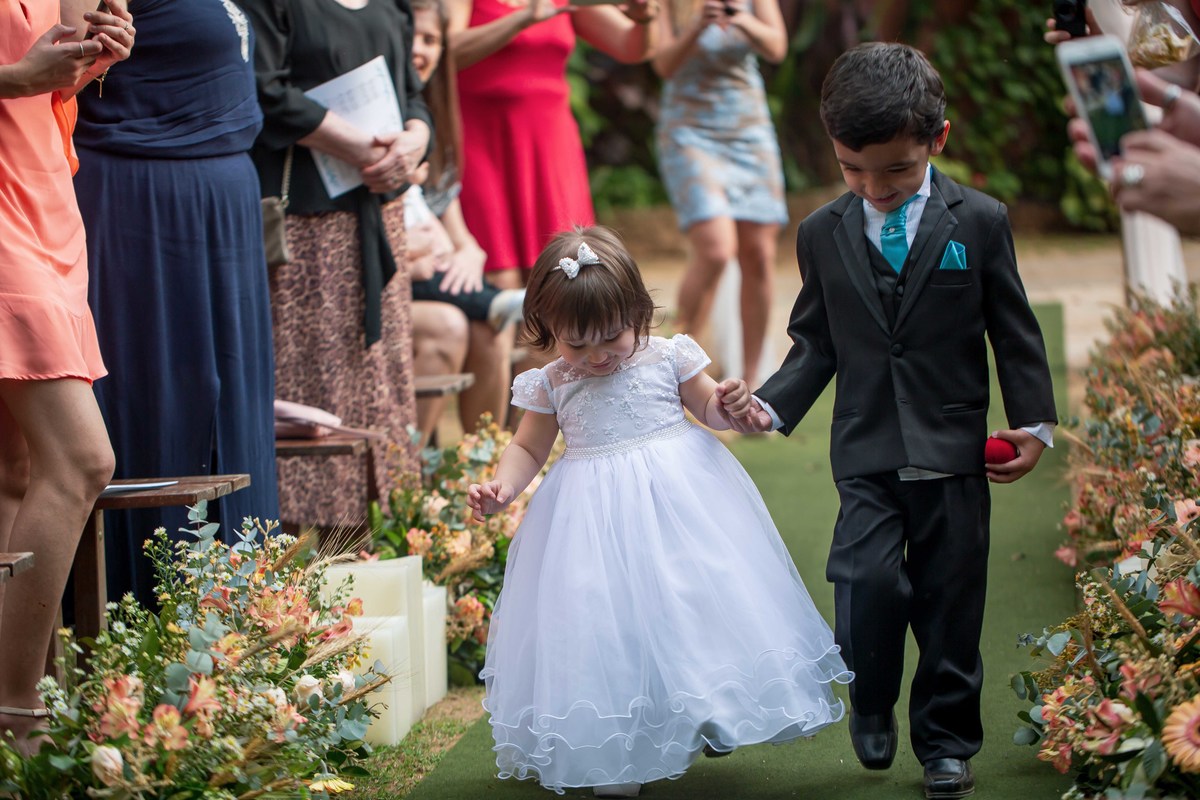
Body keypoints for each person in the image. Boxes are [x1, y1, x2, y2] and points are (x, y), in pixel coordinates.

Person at [724, 43, 1058, 799]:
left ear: (937, 140)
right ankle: (871, 698)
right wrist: (770, 404)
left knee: (951, 603)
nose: (873, 188)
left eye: (896, 171)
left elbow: (1014, 330)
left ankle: (945, 741)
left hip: (956, 449)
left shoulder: (980, 220)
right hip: (867, 447)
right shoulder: (819, 235)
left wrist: (1033, 426)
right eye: (853, 170)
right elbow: (815, 341)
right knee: (865, 585)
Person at [467, 226, 850, 798]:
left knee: (694, 602)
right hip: (590, 519)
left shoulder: (669, 356)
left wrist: (728, 404)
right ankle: (617, 749)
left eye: (611, 338)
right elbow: (528, 447)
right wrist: (504, 485)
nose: (596, 356)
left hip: (680, 505)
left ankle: (710, 703)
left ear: (638, 311)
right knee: (603, 623)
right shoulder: (551, 382)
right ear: (549, 333)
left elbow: (709, 411)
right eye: (576, 344)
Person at [74, 0, 280, 607]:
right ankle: (143, 612)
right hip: (141, 199)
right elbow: (59, 57)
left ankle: (247, 615)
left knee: (234, 398)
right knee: (155, 394)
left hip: (225, 204)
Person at [238, 0, 433, 528]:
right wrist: (363, 148)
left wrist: (414, 141)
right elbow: (264, 88)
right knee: (312, 375)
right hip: (307, 223)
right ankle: (309, 547)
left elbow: (412, 94)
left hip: (377, 213)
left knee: (381, 376)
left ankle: (386, 532)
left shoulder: (393, 5)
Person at [0, 0, 132, 749]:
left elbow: (51, 83)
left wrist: (93, 58)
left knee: (15, 472)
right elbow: (19, 73)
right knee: (83, 459)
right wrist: (20, 75)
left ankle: (12, 718)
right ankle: (20, 717)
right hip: (3, 217)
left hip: (47, 198)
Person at [450, 0, 659, 289]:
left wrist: (644, 19)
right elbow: (444, 51)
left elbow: (631, 47)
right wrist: (522, 19)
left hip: (550, 145)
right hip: (481, 140)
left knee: (563, 271)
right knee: (498, 276)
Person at [652, 0, 788, 383]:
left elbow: (776, 47)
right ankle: (676, 369)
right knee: (716, 249)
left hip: (748, 129)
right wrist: (697, 25)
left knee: (759, 253)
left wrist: (739, 17)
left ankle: (750, 383)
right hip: (689, 132)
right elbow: (664, 65)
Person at [407, 0, 523, 438]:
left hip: (429, 266)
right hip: (399, 275)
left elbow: (462, 236)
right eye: (411, 39)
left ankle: (482, 468)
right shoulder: (384, 120)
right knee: (461, 320)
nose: (420, 51)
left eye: (431, 40)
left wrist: (470, 256)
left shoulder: (434, 120)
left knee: (491, 330)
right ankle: (411, 479)